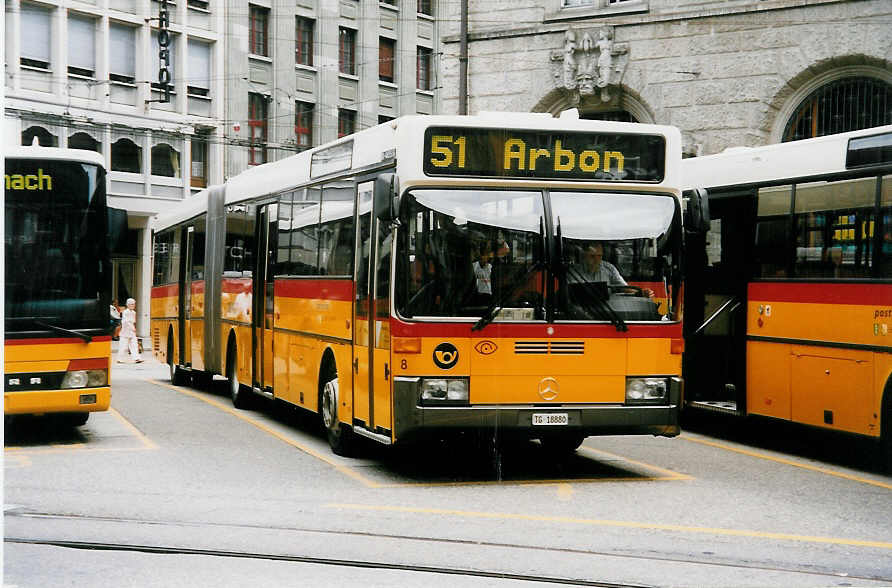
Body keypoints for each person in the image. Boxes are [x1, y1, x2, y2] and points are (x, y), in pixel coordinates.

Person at [570, 243, 654, 297]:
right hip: (581, 315)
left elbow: (624, 287)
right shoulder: (574, 271)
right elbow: (571, 296)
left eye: (599, 256)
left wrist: (640, 293)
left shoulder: (609, 269)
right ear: (584, 256)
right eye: (592, 256)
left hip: (609, 313)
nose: (597, 260)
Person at [116, 298, 143, 363]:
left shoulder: (133, 312)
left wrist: (133, 328)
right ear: (127, 305)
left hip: (131, 331)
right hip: (125, 331)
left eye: (133, 304)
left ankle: (136, 358)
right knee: (123, 346)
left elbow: (133, 322)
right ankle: (119, 358)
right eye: (131, 304)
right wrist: (132, 328)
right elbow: (125, 322)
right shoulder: (125, 312)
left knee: (134, 345)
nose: (133, 305)